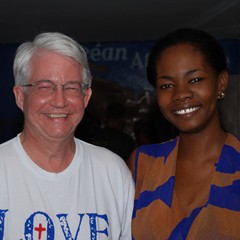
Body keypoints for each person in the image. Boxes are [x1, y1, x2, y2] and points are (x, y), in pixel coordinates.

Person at [0, 32, 134, 239]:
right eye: (45, 87)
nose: (60, 101)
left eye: (71, 88)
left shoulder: (112, 172)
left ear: (86, 97)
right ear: (20, 96)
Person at [128, 28, 240, 239]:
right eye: (167, 85)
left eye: (195, 80)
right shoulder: (143, 164)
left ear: (221, 83)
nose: (180, 94)